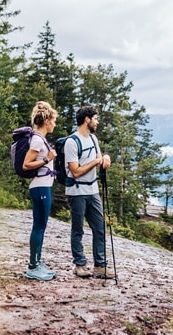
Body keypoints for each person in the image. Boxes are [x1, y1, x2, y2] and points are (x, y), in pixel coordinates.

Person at [64, 106, 115, 279]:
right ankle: (79, 265)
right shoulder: (72, 142)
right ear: (87, 120)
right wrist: (96, 161)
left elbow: (100, 159)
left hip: (93, 191)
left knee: (99, 228)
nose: (97, 121)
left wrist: (105, 158)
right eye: (95, 118)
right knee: (78, 229)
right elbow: (76, 171)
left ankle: (100, 266)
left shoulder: (93, 139)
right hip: (76, 191)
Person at [23, 101, 58, 281]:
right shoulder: (37, 139)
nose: (54, 124)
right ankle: (33, 266)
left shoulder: (40, 138)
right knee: (39, 226)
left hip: (43, 186)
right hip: (40, 187)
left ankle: (37, 262)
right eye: (53, 121)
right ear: (46, 122)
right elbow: (26, 164)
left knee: (41, 226)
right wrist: (46, 159)